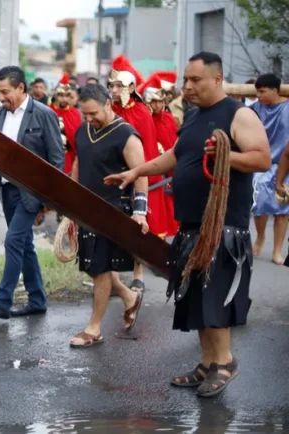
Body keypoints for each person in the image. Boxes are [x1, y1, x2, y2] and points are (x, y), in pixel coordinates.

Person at [106, 52, 271, 398]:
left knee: (216, 297)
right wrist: (137, 171)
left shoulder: (239, 114)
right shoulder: (195, 118)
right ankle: (208, 363)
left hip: (223, 226)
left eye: (195, 80)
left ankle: (225, 363)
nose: (187, 86)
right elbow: (176, 156)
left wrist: (225, 155)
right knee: (196, 296)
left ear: (217, 78)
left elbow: (261, 157)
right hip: (191, 224)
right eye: (185, 80)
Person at [0, 66, 64, 319]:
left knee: (13, 241)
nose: (1, 98)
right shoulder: (1, 115)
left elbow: (57, 160)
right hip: (8, 191)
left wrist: (48, 201)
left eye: (5, 92)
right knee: (24, 246)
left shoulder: (43, 114)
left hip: (32, 194)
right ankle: (37, 299)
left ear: (21, 88)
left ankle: (2, 301)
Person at [67, 84, 145, 347]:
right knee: (92, 265)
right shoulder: (83, 130)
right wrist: (70, 199)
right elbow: (79, 161)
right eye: (85, 114)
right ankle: (129, 296)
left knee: (100, 268)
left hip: (113, 209)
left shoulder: (127, 136)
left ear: (108, 104)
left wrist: (140, 212)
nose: (89, 119)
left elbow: (141, 174)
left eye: (93, 113)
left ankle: (94, 328)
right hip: (87, 209)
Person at [108, 54, 168, 292]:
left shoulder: (141, 112)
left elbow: (146, 149)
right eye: (111, 85)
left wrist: (141, 174)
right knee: (110, 226)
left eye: (118, 85)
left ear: (131, 88)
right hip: (112, 174)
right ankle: (112, 277)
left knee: (138, 225)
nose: (113, 89)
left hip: (137, 173)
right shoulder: (109, 108)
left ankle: (138, 272)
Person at [249, 74, 289, 264]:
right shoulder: (255, 108)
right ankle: (261, 236)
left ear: (275, 90)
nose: (259, 95)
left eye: (263, 91)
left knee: (282, 209)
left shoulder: (288, 107)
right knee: (260, 205)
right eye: (257, 91)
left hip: (285, 163)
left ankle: (277, 250)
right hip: (262, 163)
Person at [140, 72, 180, 237]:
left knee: (169, 213)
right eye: (153, 101)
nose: (157, 105)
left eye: (160, 101)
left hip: (169, 171)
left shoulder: (170, 119)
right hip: (151, 171)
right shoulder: (143, 118)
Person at [50, 72, 84, 176]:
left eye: (67, 95)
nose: (64, 99)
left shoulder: (75, 113)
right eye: (61, 95)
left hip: (70, 158)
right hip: (50, 158)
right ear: (55, 95)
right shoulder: (48, 112)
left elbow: (78, 138)